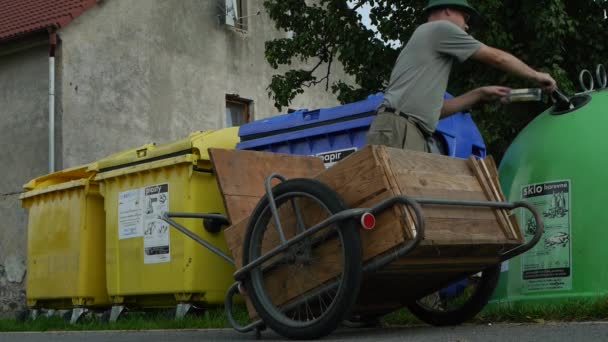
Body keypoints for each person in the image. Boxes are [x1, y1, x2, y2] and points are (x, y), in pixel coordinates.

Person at [367, 0, 557, 152]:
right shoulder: (440, 29)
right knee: (397, 199)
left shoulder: (428, 46)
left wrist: (480, 94)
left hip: (407, 129)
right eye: (465, 18)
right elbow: (497, 58)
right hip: (400, 129)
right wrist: (536, 75)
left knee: (404, 200)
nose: (466, 26)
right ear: (448, 10)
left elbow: (435, 112)